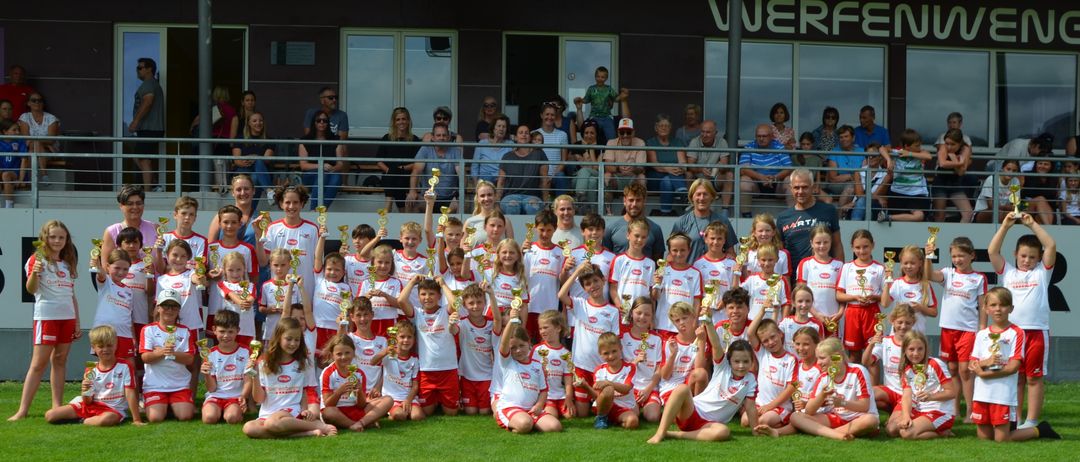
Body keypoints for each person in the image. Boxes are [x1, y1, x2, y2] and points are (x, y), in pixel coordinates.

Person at [988, 212, 1055, 431]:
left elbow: (1051, 245)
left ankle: (1032, 420)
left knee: (1034, 378)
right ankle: (1015, 418)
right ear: (1015, 254)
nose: (1027, 261)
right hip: (1012, 334)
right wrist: (1005, 226)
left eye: (1032, 257)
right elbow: (992, 251)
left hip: (1036, 332)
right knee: (1015, 376)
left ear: (1039, 258)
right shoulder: (1007, 272)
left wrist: (1032, 224)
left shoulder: (1042, 273)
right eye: (1023, 256)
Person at [8, 220, 78, 421]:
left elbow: (71, 295)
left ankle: (57, 406)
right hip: (46, 317)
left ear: (66, 240)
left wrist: (77, 321)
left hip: (68, 318)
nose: (57, 241)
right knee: (38, 364)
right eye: (53, 237)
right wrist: (35, 273)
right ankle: (22, 410)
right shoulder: (36, 259)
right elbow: (31, 289)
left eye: (61, 237)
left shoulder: (67, 262)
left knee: (60, 360)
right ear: (44, 238)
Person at [970, 287, 1060, 441]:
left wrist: (984, 373)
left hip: (1003, 396)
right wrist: (986, 362)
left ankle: (1039, 430)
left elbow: (1013, 367)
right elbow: (972, 364)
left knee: (1002, 440)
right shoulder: (982, 334)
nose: (998, 309)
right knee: (984, 438)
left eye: (1003, 305)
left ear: (1011, 308)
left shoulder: (1017, 332)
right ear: (985, 308)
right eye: (993, 305)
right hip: (981, 394)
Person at [646, 334, 758, 444]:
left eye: (746, 361)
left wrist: (755, 430)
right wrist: (708, 324)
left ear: (752, 361)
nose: (741, 366)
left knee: (723, 432)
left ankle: (673, 434)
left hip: (708, 425)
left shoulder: (751, 380)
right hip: (691, 411)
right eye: (737, 361)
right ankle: (660, 433)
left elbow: (751, 407)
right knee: (682, 388)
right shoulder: (723, 367)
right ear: (729, 361)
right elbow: (716, 344)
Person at [243, 317, 337, 438]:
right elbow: (259, 399)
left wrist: (305, 409)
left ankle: (317, 426)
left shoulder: (303, 363)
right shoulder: (263, 363)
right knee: (249, 428)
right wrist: (254, 376)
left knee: (272, 423)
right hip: (268, 413)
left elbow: (304, 392)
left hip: (291, 411)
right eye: (289, 339)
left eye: (297, 340)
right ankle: (306, 433)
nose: (293, 343)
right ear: (278, 338)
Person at [925, 236, 985, 422]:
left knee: (965, 370)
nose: (958, 259)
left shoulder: (979, 278)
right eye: (954, 256)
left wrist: (982, 328)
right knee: (952, 369)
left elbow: (983, 306)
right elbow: (929, 275)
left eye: (962, 256)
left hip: (967, 330)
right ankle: (955, 410)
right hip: (948, 329)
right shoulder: (948, 273)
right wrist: (928, 256)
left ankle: (970, 412)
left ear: (972, 256)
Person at [44, 325, 143, 427]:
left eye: (109, 345)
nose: (105, 349)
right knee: (50, 415)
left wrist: (136, 419)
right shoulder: (91, 369)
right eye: (101, 346)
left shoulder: (125, 366)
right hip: (91, 406)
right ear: (93, 347)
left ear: (116, 344)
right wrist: (85, 391)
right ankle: (89, 419)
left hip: (113, 410)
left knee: (107, 419)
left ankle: (83, 420)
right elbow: (87, 401)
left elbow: (130, 394)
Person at [558, 262, 621, 417]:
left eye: (595, 281)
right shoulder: (580, 304)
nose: (593, 286)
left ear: (603, 280)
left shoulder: (613, 311)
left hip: (602, 369)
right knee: (582, 414)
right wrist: (577, 271)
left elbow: (615, 341)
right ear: (584, 288)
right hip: (581, 366)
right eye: (587, 284)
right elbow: (561, 295)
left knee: (601, 409)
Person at [789, 337, 880, 440]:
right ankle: (838, 435)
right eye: (817, 358)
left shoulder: (858, 371)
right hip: (837, 418)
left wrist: (842, 403)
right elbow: (809, 411)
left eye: (822, 358)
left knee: (871, 420)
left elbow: (864, 406)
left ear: (837, 357)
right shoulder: (824, 377)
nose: (818, 362)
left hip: (859, 418)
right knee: (795, 416)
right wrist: (822, 395)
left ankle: (829, 433)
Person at [141, 289, 197, 422]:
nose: (169, 310)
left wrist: (172, 353)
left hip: (180, 385)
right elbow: (145, 358)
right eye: (166, 306)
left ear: (178, 310)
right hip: (155, 386)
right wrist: (162, 352)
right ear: (158, 308)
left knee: (185, 416)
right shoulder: (148, 330)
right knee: (155, 418)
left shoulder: (185, 331)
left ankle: (169, 405)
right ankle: (161, 404)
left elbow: (189, 359)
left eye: (174, 306)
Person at [776, 169, 845, 265]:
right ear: (791, 189)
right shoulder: (783, 218)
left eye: (805, 187)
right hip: (794, 274)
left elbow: (837, 245)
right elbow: (780, 252)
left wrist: (840, 271)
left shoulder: (829, 211)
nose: (800, 191)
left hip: (825, 272)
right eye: (796, 187)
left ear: (813, 187)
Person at [319, 334, 387, 431]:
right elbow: (328, 404)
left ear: (354, 353)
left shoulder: (359, 373)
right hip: (337, 411)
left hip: (355, 410)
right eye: (339, 354)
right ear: (332, 355)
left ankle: (360, 423)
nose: (343, 357)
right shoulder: (328, 373)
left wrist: (359, 392)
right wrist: (339, 392)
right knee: (328, 412)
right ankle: (356, 424)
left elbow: (361, 406)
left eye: (347, 353)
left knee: (388, 400)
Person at [836, 229, 885, 362]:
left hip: (872, 312)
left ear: (873, 245)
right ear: (852, 247)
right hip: (852, 312)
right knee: (854, 354)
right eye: (857, 247)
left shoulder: (880, 268)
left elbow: (887, 298)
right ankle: (856, 376)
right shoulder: (847, 267)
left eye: (865, 247)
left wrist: (874, 297)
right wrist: (855, 298)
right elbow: (839, 295)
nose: (862, 251)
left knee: (873, 356)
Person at [201, 310, 251, 425]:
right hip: (216, 395)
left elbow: (248, 380)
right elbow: (212, 389)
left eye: (230, 332)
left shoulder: (246, 352)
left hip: (235, 397)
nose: (226, 336)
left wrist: (243, 396)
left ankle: (235, 411)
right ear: (214, 330)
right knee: (209, 418)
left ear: (237, 331)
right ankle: (216, 409)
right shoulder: (210, 354)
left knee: (232, 418)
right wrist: (206, 374)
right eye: (222, 331)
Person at [581, 332, 640, 429]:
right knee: (608, 389)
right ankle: (601, 417)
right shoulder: (599, 370)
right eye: (606, 353)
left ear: (620, 348)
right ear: (600, 354)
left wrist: (608, 383)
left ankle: (612, 420)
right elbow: (597, 396)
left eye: (614, 351)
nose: (611, 356)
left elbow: (626, 389)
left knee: (632, 422)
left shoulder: (630, 367)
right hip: (603, 406)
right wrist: (586, 386)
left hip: (623, 407)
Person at [671, 178, 737, 261]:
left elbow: (730, 252)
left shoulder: (723, 221)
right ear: (692, 197)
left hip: (716, 269)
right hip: (690, 269)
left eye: (705, 194)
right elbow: (672, 254)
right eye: (698, 194)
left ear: (712, 197)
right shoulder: (681, 223)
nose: (702, 198)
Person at [189, 85, 239, 192]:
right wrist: (231, 146)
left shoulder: (210, 109)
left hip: (210, 142)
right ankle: (222, 190)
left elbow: (194, 125)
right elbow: (233, 132)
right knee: (222, 170)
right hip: (224, 143)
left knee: (208, 169)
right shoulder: (232, 111)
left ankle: (208, 190)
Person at [738, 124, 793, 217]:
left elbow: (789, 168)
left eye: (764, 136)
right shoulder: (749, 147)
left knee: (789, 180)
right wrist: (761, 177)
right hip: (756, 184)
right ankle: (746, 216)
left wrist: (775, 177)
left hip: (777, 183)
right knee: (744, 180)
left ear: (771, 136)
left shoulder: (779, 147)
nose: (761, 139)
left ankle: (793, 216)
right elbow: (743, 169)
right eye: (758, 136)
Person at [877, 131, 933, 223]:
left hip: (917, 194)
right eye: (916, 146)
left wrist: (909, 154)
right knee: (899, 223)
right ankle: (888, 217)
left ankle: (888, 217)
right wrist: (888, 160)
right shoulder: (897, 153)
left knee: (919, 216)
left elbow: (929, 156)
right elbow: (881, 148)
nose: (919, 148)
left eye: (919, 145)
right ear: (907, 146)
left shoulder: (920, 153)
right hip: (897, 192)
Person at [602, 183, 665, 261]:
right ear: (624, 201)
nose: (634, 204)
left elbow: (658, 262)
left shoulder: (655, 229)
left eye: (638, 200)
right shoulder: (611, 229)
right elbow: (606, 260)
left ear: (644, 201)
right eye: (631, 200)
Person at [409, 123, 463, 211]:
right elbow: (416, 171)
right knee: (411, 201)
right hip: (427, 197)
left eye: (444, 135)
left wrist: (460, 195)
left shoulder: (455, 151)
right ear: (433, 137)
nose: (441, 138)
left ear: (448, 137)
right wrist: (412, 191)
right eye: (438, 135)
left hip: (449, 197)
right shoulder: (425, 149)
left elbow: (461, 173)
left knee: (460, 204)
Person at [299, 110, 347, 209]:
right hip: (310, 175)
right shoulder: (305, 140)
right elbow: (303, 165)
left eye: (324, 121)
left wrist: (332, 169)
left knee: (336, 178)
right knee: (323, 174)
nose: (322, 123)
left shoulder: (335, 139)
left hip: (330, 173)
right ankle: (314, 209)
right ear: (314, 122)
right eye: (318, 120)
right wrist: (322, 166)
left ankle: (320, 210)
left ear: (328, 123)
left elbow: (340, 164)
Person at [376, 107, 421, 212]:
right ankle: (398, 208)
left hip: (406, 175)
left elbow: (417, 162)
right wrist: (388, 170)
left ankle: (388, 207)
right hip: (389, 174)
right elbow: (379, 161)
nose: (401, 122)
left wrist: (403, 168)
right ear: (394, 122)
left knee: (397, 176)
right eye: (398, 119)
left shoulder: (414, 140)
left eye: (404, 119)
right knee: (393, 174)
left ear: (408, 121)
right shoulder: (387, 138)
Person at [129, 58, 164, 191]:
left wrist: (135, 121)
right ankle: (153, 184)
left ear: (149, 69)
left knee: (143, 159)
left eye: (140, 68)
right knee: (139, 157)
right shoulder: (151, 84)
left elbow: (148, 102)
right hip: (149, 129)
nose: (137, 71)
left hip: (150, 128)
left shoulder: (149, 84)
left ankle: (149, 190)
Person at [496, 127, 548, 214]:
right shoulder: (507, 156)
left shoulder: (539, 154)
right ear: (516, 137)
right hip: (510, 196)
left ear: (530, 137)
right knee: (512, 206)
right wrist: (497, 203)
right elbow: (501, 182)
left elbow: (544, 180)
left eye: (526, 133)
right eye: (521, 132)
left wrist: (546, 203)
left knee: (532, 207)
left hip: (533, 196)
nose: (524, 134)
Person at [646, 114, 689, 217]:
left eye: (667, 126)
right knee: (668, 178)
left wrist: (681, 169)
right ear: (656, 128)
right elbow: (655, 164)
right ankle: (683, 193)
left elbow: (683, 163)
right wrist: (668, 169)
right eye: (661, 125)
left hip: (674, 176)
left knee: (667, 180)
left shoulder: (677, 142)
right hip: (655, 177)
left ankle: (665, 213)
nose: (664, 128)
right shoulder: (651, 142)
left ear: (670, 128)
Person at [231, 112, 275, 204]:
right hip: (243, 170)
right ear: (249, 123)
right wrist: (252, 159)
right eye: (254, 121)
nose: (258, 123)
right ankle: (269, 191)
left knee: (255, 176)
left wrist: (255, 158)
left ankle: (250, 210)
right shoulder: (240, 138)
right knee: (258, 163)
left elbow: (267, 159)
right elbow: (237, 161)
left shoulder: (269, 139)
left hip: (261, 171)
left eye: (260, 121)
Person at [685, 120, 731, 208]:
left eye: (708, 132)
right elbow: (690, 165)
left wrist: (718, 167)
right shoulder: (695, 141)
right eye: (702, 132)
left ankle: (725, 209)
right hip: (697, 179)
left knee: (729, 175)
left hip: (714, 179)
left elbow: (725, 166)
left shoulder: (722, 142)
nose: (704, 135)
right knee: (688, 174)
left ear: (715, 133)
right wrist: (700, 169)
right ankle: (690, 203)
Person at [603, 118, 647, 205]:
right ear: (618, 133)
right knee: (607, 176)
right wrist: (618, 169)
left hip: (633, 177)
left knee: (642, 177)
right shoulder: (611, 143)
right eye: (622, 132)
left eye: (628, 132)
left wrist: (633, 169)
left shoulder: (640, 143)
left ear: (633, 132)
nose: (625, 135)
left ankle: (641, 208)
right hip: (617, 177)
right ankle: (607, 210)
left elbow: (641, 168)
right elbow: (607, 166)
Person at [18, 91, 59, 181]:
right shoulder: (24, 117)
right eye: (34, 100)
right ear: (28, 103)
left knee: (33, 149)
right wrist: (43, 142)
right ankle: (44, 175)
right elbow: (26, 139)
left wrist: (39, 142)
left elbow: (51, 140)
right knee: (34, 148)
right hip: (31, 148)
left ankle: (27, 182)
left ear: (43, 103)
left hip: (48, 151)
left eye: (40, 100)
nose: (37, 102)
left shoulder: (51, 118)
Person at [579, 66, 627, 141]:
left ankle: (612, 148)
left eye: (602, 77)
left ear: (606, 78)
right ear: (595, 77)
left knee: (612, 137)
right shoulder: (591, 89)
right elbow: (586, 100)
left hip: (606, 117)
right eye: (598, 76)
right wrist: (580, 100)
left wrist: (622, 96)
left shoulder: (609, 89)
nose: (600, 79)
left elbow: (616, 99)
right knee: (592, 136)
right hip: (594, 117)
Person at [824, 125, 864, 214]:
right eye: (841, 137)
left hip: (858, 184)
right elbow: (833, 178)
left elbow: (864, 174)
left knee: (852, 186)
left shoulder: (862, 151)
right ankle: (839, 216)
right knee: (851, 187)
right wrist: (852, 176)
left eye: (846, 136)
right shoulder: (834, 152)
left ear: (853, 138)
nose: (843, 139)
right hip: (837, 185)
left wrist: (852, 177)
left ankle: (841, 215)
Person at [535, 103, 570, 194]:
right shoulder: (534, 134)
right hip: (538, 175)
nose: (549, 117)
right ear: (541, 115)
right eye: (547, 114)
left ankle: (561, 202)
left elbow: (563, 161)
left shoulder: (562, 135)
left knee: (561, 176)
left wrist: (552, 176)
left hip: (556, 175)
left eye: (552, 115)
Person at [472, 114, 512, 186]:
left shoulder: (510, 144)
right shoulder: (482, 143)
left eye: (504, 127)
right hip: (485, 181)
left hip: (502, 181)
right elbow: (475, 167)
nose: (501, 129)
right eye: (499, 126)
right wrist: (476, 187)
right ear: (493, 128)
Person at [571, 119, 603, 209]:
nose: (589, 135)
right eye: (586, 133)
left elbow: (596, 168)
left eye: (592, 133)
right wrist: (586, 149)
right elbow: (585, 165)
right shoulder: (576, 145)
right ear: (582, 134)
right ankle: (591, 209)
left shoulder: (602, 145)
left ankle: (580, 196)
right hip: (577, 178)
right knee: (592, 180)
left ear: (596, 134)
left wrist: (591, 150)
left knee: (585, 170)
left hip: (597, 175)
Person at [0, 119, 27, 207]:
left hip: (15, 174)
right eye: (14, 130)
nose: (18, 132)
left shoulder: (20, 141)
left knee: (6, 175)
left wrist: (21, 180)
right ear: (5, 132)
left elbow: (24, 161)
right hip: (1, 172)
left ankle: (9, 205)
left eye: (18, 130)